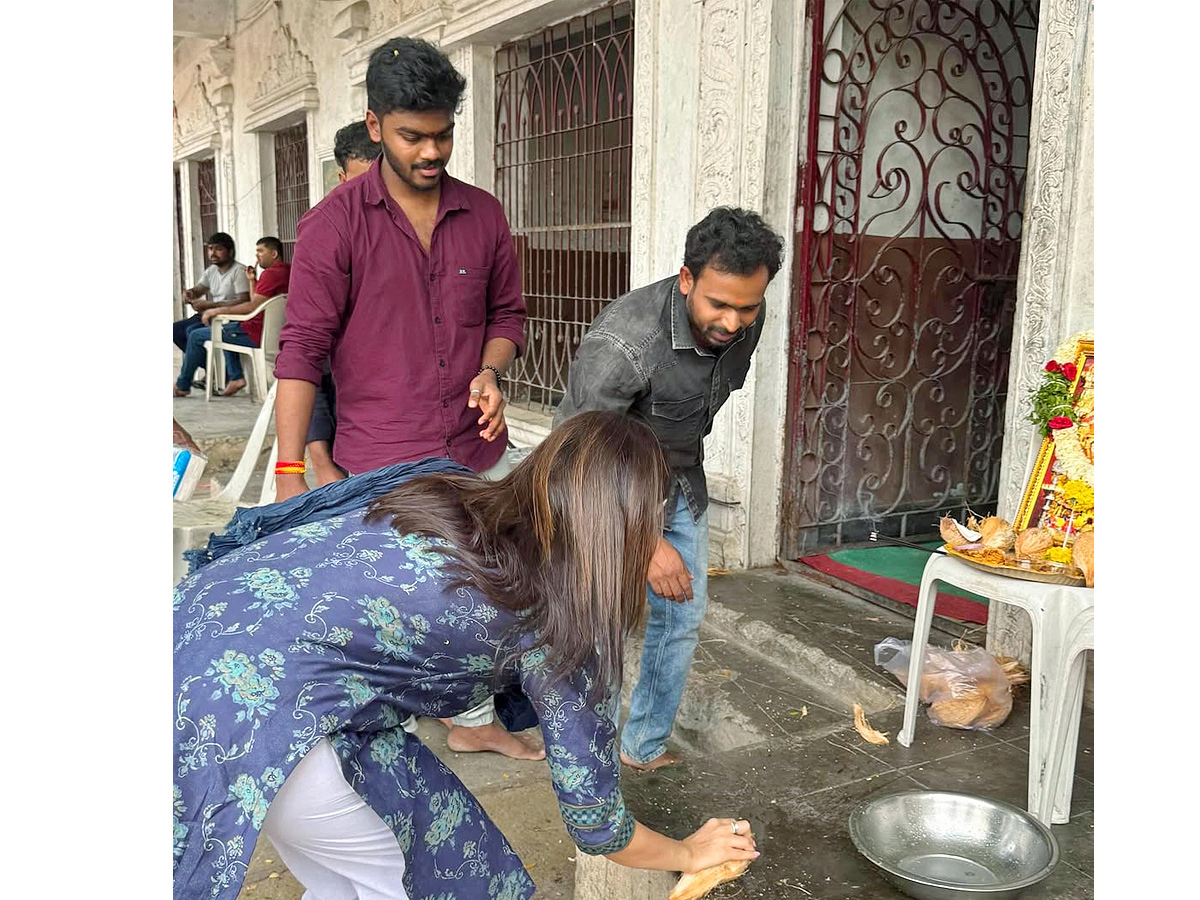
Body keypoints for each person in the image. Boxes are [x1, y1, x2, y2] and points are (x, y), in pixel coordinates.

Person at [172, 411, 760, 900]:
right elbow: (595, 820)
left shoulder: (449, 486)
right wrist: (688, 850)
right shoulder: (559, 625)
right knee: (417, 880)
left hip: (189, 629)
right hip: (249, 716)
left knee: (383, 865)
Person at [272, 37, 529, 758]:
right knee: (385, 610)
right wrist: (294, 473)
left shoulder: (482, 215)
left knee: (480, 596)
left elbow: (508, 316)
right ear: (375, 124)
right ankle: (380, 740)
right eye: (414, 135)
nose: (431, 151)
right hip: (379, 461)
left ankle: (471, 723)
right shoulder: (335, 224)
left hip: (471, 450)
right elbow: (302, 351)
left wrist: (490, 370)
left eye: (443, 134)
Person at [553, 206, 784, 772]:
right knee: (597, 621)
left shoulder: (742, 320)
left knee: (683, 613)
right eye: (719, 305)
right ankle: (587, 753)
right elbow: (580, 453)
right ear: (687, 280)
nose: (732, 323)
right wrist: (644, 541)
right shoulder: (626, 342)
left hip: (680, 477)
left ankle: (642, 747)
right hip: (599, 485)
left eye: (747, 308)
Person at [302, 120, 386, 487]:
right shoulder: (326, 243)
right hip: (350, 450)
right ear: (341, 178)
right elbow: (309, 370)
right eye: (361, 184)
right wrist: (319, 464)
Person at [174, 236, 291, 397]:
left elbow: (251, 305)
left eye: (261, 251)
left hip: (255, 332)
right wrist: (252, 281)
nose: (257, 256)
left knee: (195, 335)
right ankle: (234, 377)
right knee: (224, 328)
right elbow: (257, 301)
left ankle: (182, 385)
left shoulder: (270, 274)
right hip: (273, 331)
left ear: (274, 254)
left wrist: (214, 311)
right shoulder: (287, 270)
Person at [172, 232, 250, 386]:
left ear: (230, 251)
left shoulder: (238, 271)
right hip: (210, 314)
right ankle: (212, 369)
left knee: (191, 332)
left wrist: (210, 306)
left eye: (218, 249)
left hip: (228, 316)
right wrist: (190, 294)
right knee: (175, 330)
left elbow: (243, 300)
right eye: (210, 249)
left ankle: (216, 374)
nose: (213, 253)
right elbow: (199, 289)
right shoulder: (211, 271)